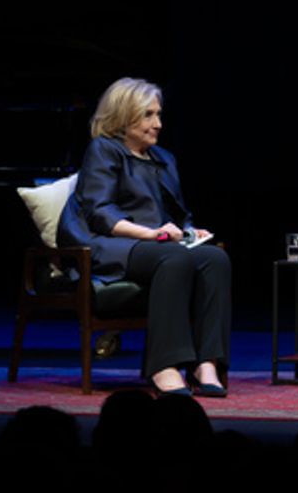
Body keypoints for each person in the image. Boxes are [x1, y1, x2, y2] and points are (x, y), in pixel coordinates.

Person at [58, 78, 231, 397]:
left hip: (156, 246)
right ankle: (163, 365)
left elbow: (177, 215)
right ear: (124, 116)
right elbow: (100, 212)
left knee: (214, 258)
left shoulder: (163, 159)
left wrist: (192, 232)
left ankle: (206, 362)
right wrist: (151, 234)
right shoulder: (104, 149)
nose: (158, 124)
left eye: (159, 115)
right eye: (149, 115)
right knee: (174, 256)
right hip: (109, 245)